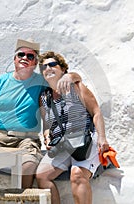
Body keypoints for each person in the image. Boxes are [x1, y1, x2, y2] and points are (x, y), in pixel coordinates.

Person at [0, 39, 82, 196]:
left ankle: (21, 200)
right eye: (21, 54)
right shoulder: (0, 82)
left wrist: (70, 76)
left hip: (27, 141)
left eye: (30, 56)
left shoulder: (41, 82)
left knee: (27, 167)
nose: (25, 58)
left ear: (34, 63)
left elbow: (68, 76)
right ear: (14, 59)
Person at [36, 51, 109, 204]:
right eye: (44, 67)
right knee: (42, 176)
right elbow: (47, 124)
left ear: (62, 68)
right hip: (63, 145)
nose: (48, 68)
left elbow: (96, 112)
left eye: (52, 64)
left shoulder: (75, 86)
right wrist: (47, 135)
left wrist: (102, 138)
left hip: (85, 141)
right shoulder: (44, 98)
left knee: (77, 174)